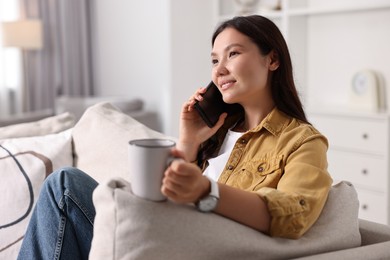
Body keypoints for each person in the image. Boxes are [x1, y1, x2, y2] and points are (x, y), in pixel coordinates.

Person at [18, 15, 332, 259]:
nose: (219, 70)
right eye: (214, 60)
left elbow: (295, 214)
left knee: (66, 185)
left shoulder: (302, 141)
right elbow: (156, 200)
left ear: (272, 60)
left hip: (193, 250)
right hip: (160, 237)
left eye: (233, 54)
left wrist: (207, 191)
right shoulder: (215, 133)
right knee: (64, 190)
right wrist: (188, 140)